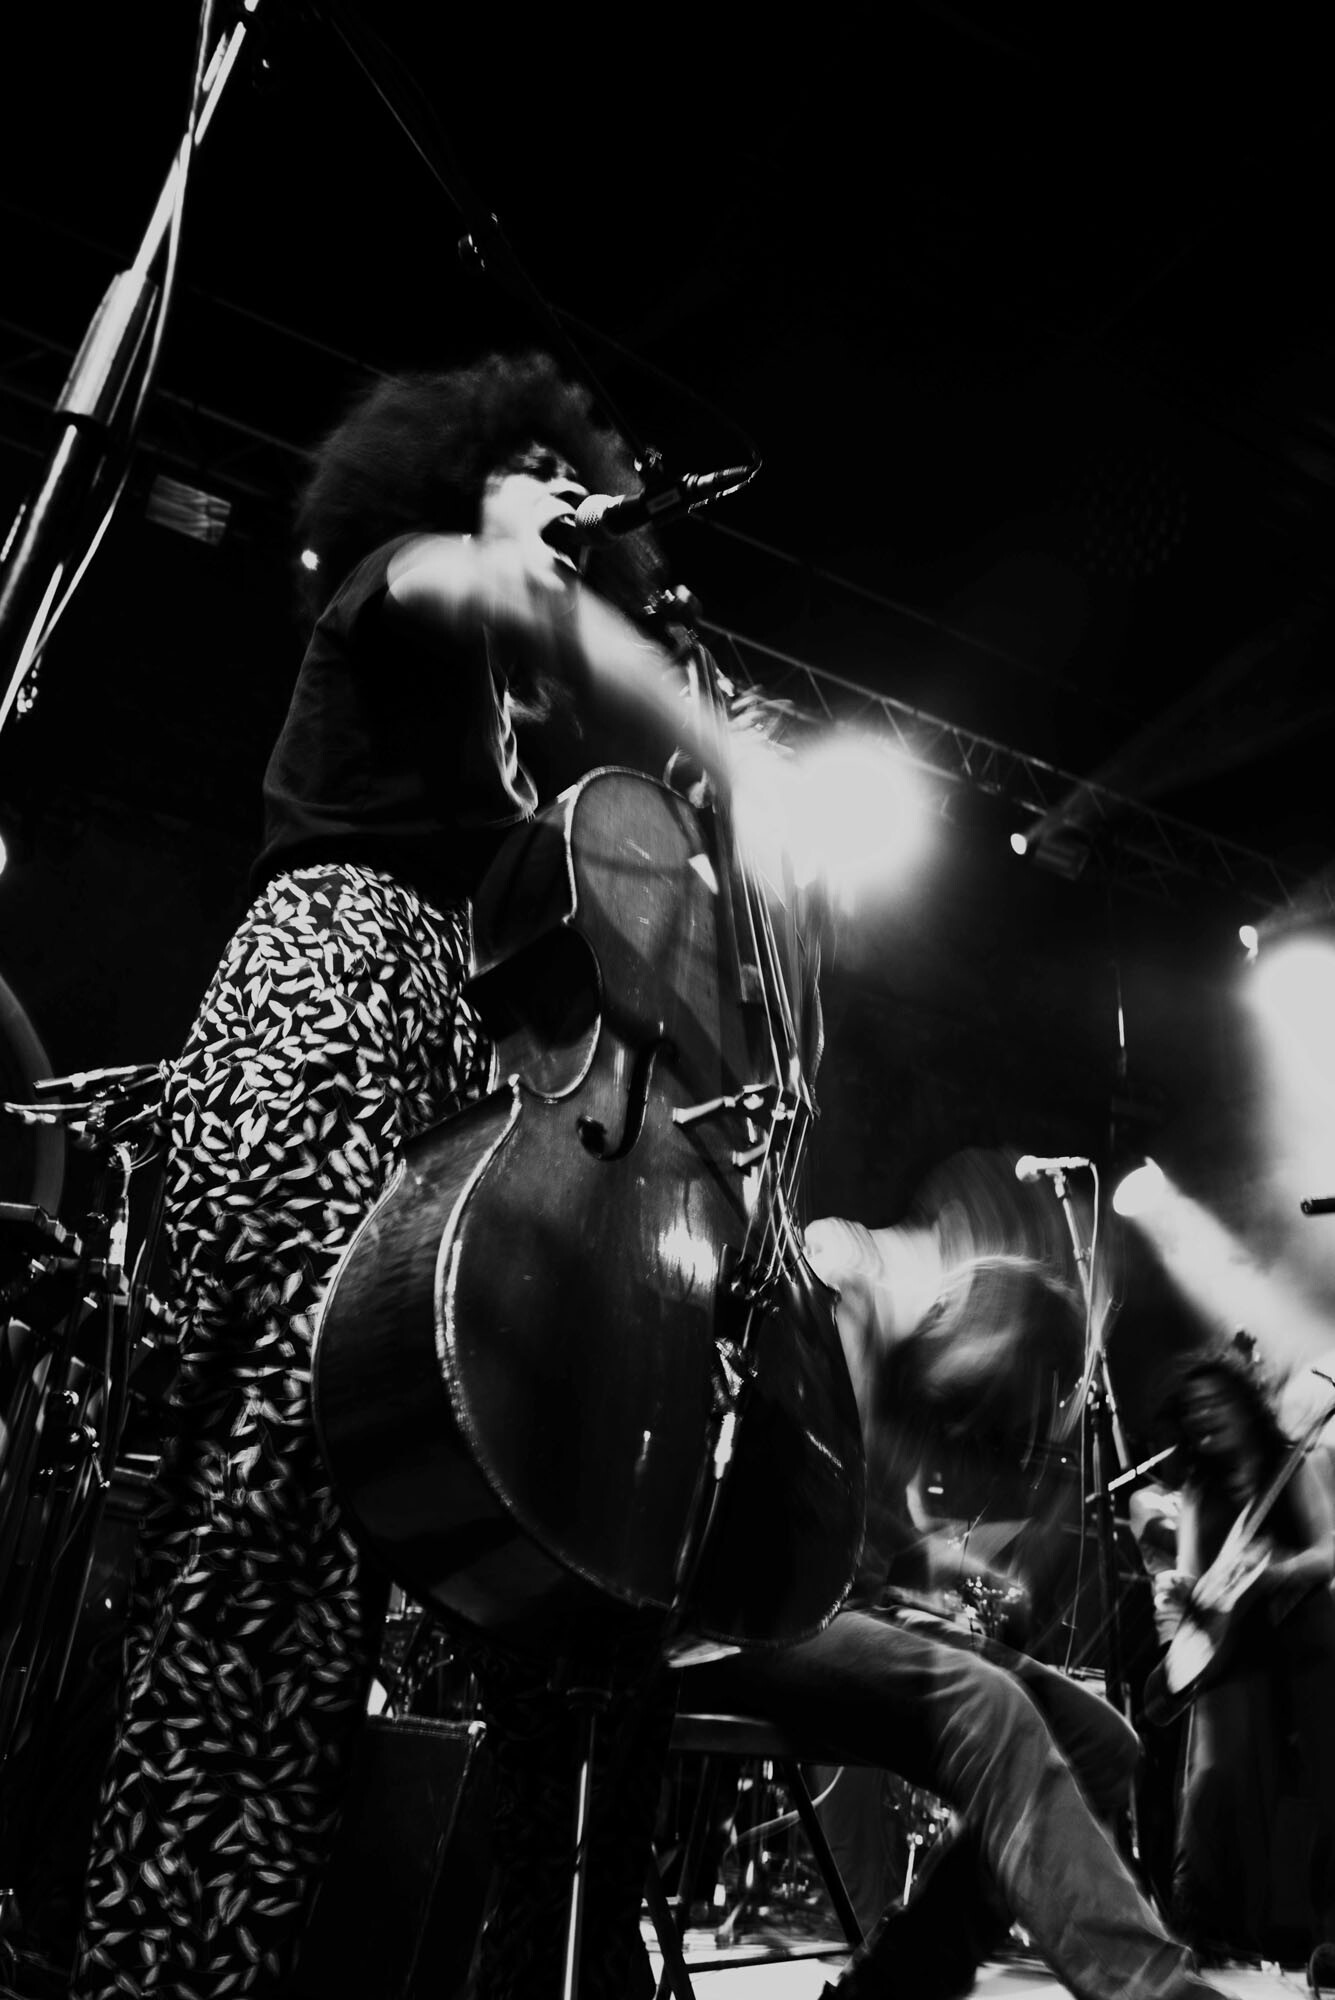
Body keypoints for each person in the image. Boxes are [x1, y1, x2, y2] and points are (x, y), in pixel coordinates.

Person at [64, 351, 776, 2000]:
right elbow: (495, 586)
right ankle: (175, 1969)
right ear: (459, 482)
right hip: (326, 1002)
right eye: (534, 468)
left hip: (453, 1075)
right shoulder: (407, 573)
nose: (566, 495)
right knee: (276, 1507)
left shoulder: (511, 757)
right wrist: (709, 737)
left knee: (545, 1571)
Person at [680, 1197, 1240, 2000]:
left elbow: (853, 1517)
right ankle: (1151, 1989)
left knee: (1102, 1741)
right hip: (752, 1615)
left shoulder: (895, 1388)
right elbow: (767, 1498)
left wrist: (935, 1564)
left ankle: (900, 1983)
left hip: (844, 1605)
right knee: (985, 1706)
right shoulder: (828, 1292)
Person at [1149, 1343, 1335, 1977]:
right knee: (1216, 1778)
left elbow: (1329, 1550)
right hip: (1234, 1647)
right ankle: (1207, 1928)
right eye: (1193, 1408)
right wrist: (1177, 1588)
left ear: (1244, 1405)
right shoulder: (1198, 1488)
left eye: (1215, 1402)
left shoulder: (1291, 1465)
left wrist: (1278, 1573)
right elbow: (1193, 1576)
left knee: (1329, 1778)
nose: (1204, 1416)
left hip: (1306, 1634)